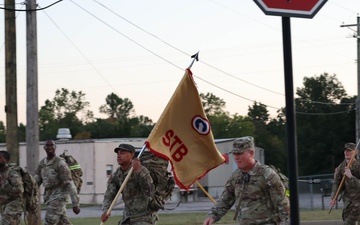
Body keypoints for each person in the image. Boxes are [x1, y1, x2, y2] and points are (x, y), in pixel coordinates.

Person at [203, 136, 289, 225]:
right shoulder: (236, 176)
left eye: (240, 153)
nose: (236, 157)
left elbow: (282, 204)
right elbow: (225, 200)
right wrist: (212, 216)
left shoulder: (267, 175)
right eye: (235, 154)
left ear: (251, 153)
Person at [101, 144, 157, 225]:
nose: (119, 156)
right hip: (127, 217)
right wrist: (105, 211)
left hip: (144, 217)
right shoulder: (116, 175)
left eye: (122, 153)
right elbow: (109, 195)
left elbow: (150, 192)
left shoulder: (141, 170)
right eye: (118, 153)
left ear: (132, 155)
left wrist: (138, 172)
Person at [34, 140, 80, 225]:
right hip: (49, 196)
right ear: (44, 148)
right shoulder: (42, 163)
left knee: (50, 220)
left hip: (60, 195)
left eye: (52, 145)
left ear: (55, 147)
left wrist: (75, 204)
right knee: (62, 222)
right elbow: (36, 181)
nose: (50, 147)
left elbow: (69, 183)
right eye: (47, 145)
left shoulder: (60, 163)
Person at [330, 142, 360, 225]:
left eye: (349, 150)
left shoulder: (358, 166)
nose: (346, 152)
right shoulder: (341, 167)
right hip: (348, 203)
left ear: (355, 152)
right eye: (345, 150)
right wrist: (334, 198)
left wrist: (351, 176)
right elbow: (336, 183)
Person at [0, 151, 24, 225]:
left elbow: (19, 191)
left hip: (14, 204)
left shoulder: (12, 173)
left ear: (6, 160)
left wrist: (5, 183)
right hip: (4, 204)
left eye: (0, 158)